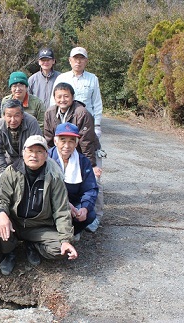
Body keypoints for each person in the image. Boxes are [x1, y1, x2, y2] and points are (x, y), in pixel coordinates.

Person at [0, 135, 77, 276]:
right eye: (30, 151)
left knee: (60, 249)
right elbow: (1, 198)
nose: (34, 155)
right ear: (24, 153)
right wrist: (2, 214)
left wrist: (66, 239)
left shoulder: (54, 176)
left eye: (39, 151)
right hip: (15, 223)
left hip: (39, 226)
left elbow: (61, 210)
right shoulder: (11, 172)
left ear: (46, 155)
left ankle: (33, 245)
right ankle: (9, 252)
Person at [52, 47, 105, 233]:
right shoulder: (61, 78)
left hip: (87, 132)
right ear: (69, 60)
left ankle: (94, 215)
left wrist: (96, 127)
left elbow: (97, 104)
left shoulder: (92, 79)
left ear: (86, 61)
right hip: (65, 138)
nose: (78, 62)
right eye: (75, 58)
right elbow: (53, 110)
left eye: (82, 58)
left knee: (92, 176)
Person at [48, 123, 98, 236]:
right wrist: (65, 204)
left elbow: (90, 189)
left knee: (90, 215)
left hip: (74, 202)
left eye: (71, 141)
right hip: (51, 202)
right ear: (55, 141)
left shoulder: (83, 162)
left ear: (76, 143)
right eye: (63, 140)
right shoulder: (47, 158)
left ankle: (72, 232)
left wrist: (85, 208)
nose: (67, 145)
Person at [44, 82, 101, 169]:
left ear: (73, 97)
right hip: (61, 152)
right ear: (54, 98)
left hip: (81, 152)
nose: (62, 100)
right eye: (59, 97)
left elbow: (86, 142)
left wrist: (90, 165)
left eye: (66, 96)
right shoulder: (50, 113)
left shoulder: (82, 113)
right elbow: (49, 139)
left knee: (87, 178)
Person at [0, 99, 42, 176]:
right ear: (3, 116)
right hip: (8, 161)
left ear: (22, 115)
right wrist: (4, 172)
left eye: (17, 115)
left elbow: (37, 147)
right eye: (9, 116)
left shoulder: (31, 122)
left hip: (29, 160)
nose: (13, 120)